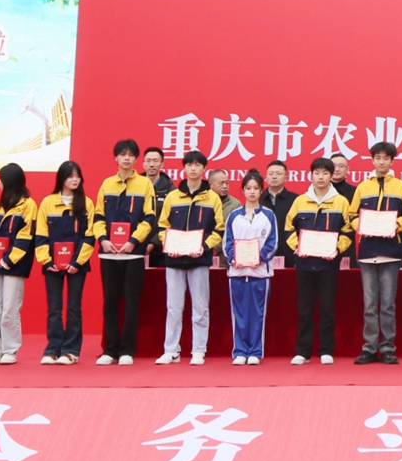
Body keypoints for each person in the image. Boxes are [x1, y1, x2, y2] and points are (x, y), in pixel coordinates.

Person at [156, 150, 225, 365]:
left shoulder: (212, 198)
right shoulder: (172, 196)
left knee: (200, 307)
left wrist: (204, 247)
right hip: (174, 259)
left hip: (199, 259)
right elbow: (162, 226)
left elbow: (219, 229)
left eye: (197, 165)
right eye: (189, 165)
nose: (193, 168)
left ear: (204, 169)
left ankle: (198, 349)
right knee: (173, 307)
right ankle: (171, 349)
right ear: (184, 168)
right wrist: (168, 244)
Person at [93, 138, 156, 366]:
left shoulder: (144, 184)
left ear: (136, 159)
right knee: (110, 303)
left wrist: (133, 241)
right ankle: (110, 350)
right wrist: (103, 239)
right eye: (123, 154)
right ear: (116, 158)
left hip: (133, 254)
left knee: (131, 303)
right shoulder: (107, 184)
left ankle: (128, 350)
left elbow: (149, 218)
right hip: (108, 253)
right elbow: (98, 216)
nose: (127, 158)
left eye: (131, 155)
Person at [352, 141, 402, 364]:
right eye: (377, 158)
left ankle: (388, 348)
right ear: (372, 160)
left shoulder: (400, 187)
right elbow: (351, 214)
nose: (381, 162)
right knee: (370, 304)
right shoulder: (362, 187)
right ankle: (369, 348)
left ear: (392, 161)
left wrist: (397, 225)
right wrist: (361, 225)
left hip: (391, 251)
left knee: (388, 304)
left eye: (385, 158)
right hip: (368, 250)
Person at [287, 157, 353, 364]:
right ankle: (302, 352)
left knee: (327, 308)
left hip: (328, 263)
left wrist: (337, 248)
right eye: (317, 173)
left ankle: (326, 350)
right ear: (311, 175)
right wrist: (297, 247)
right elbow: (288, 228)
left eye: (325, 173)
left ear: (331, 176)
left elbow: (348, 231)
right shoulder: (300, 201)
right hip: (304, 263)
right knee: (304, 309)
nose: (321, 177)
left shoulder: (341, 202)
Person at [0, 163, 36, 365]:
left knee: (10, 308)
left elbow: (26, 235)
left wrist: (9, 259)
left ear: (9, 181)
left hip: (13, 265)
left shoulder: (29, 205)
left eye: (1, 179)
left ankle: (10, 350)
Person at [36, 161, 92, 364]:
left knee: (74, 308)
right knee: (54, 308)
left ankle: (70, 350)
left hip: (77, 265)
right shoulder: (47, 202)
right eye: (70, 176)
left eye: (77, 176)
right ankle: (52, 349)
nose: (75, 180)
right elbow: (41, 234)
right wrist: (46, 260)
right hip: (52, 264)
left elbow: (89, 236)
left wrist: (77, 262)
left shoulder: (86, 203)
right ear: (61, 178)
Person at [225, 171, 278, 365]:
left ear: (261, 190)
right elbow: (227, 242)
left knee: (257, 314)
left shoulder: (268, 215)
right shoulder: (234, 216)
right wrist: (233, 259)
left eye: (256, 188)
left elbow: (272, 243)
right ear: (243, 190)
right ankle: (240, 351)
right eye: (248, 188)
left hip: (260, 273)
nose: (252, 192)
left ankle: (255, 351)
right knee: (239, 314)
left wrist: (260, 258)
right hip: (237, 272)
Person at [262, 160, 294, 270]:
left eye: (278, 173)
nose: (274, 176)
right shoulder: (258, 200)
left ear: (286, 178)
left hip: (289, 256)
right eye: (271, 174)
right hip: (262, 255)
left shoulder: (296, 200)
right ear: (266, 177)